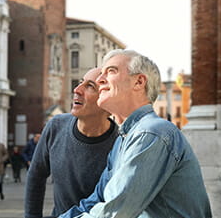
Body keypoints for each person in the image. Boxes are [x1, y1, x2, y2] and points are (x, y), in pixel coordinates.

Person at [59, 50, 212, 218]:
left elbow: (115, 212)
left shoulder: (151, 133)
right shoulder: (123, 140)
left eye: (111, 71)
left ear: (139, 82)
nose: (99, 80)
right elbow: (95, 201)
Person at [24, 68, 119, 218]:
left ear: (108, 104)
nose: (77, 89)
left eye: (90, 86)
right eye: (81, 83)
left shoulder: (121, 144)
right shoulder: (55, 126)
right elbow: (36, 175)